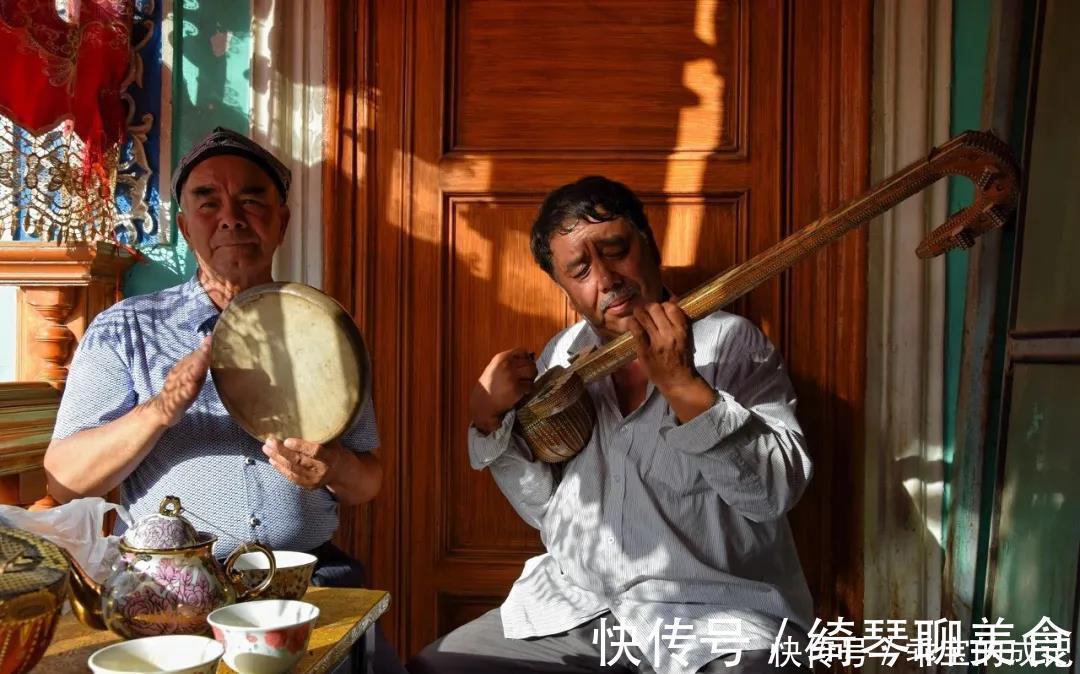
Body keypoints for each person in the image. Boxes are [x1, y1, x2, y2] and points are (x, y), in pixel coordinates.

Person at [410, 176, 814, 674]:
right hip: (581, 609)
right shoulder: (561, 357)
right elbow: (547, 512)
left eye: (616, 250)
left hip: (713, 618)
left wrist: (686, 388)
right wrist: (490, 421)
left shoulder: (728, 343)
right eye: (579, 269)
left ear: (649, 244)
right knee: (438, 668)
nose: (606, 278)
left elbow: (773, 494)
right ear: (564, 287)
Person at [44, 127, 403, 673]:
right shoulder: (127, 330)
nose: (230, 217)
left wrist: (331, 465)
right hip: (176, 595)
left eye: (252, 199)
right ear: (184, 226)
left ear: (282, 220)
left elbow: (367, 482)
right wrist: (161, 409)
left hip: (308, 585)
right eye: (207, 201)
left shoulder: (324, 331)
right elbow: (64, 480)